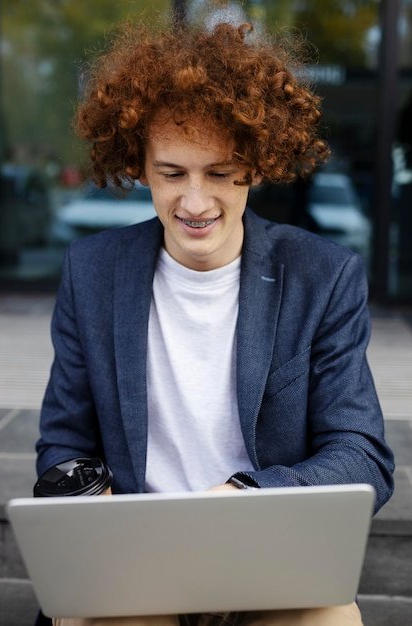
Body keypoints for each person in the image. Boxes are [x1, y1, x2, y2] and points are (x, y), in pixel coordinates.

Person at [35, 17, 394, 626]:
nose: (196, 203)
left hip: (270, 561)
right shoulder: (91, 272)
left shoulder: (323, 276)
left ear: (254, 165)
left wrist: (247, 496)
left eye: (220, 174)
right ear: (140, 168)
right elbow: (63, 445)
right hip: (135, 565)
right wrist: (97, 511)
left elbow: (361, 454)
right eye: (172, 174)